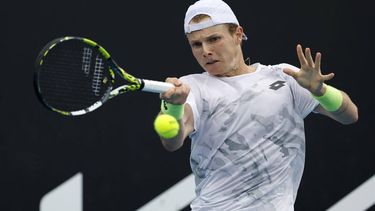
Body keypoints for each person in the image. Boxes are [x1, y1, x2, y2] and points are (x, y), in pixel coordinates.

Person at [156, 0, 358, 210]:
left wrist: (321, 91)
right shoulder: (192, 86)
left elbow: (349, 115)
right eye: (196, 44)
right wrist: (174, 107)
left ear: (237, 34)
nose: (205, 50)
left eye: (214, 39)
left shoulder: (284, 76)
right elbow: (172, 141)